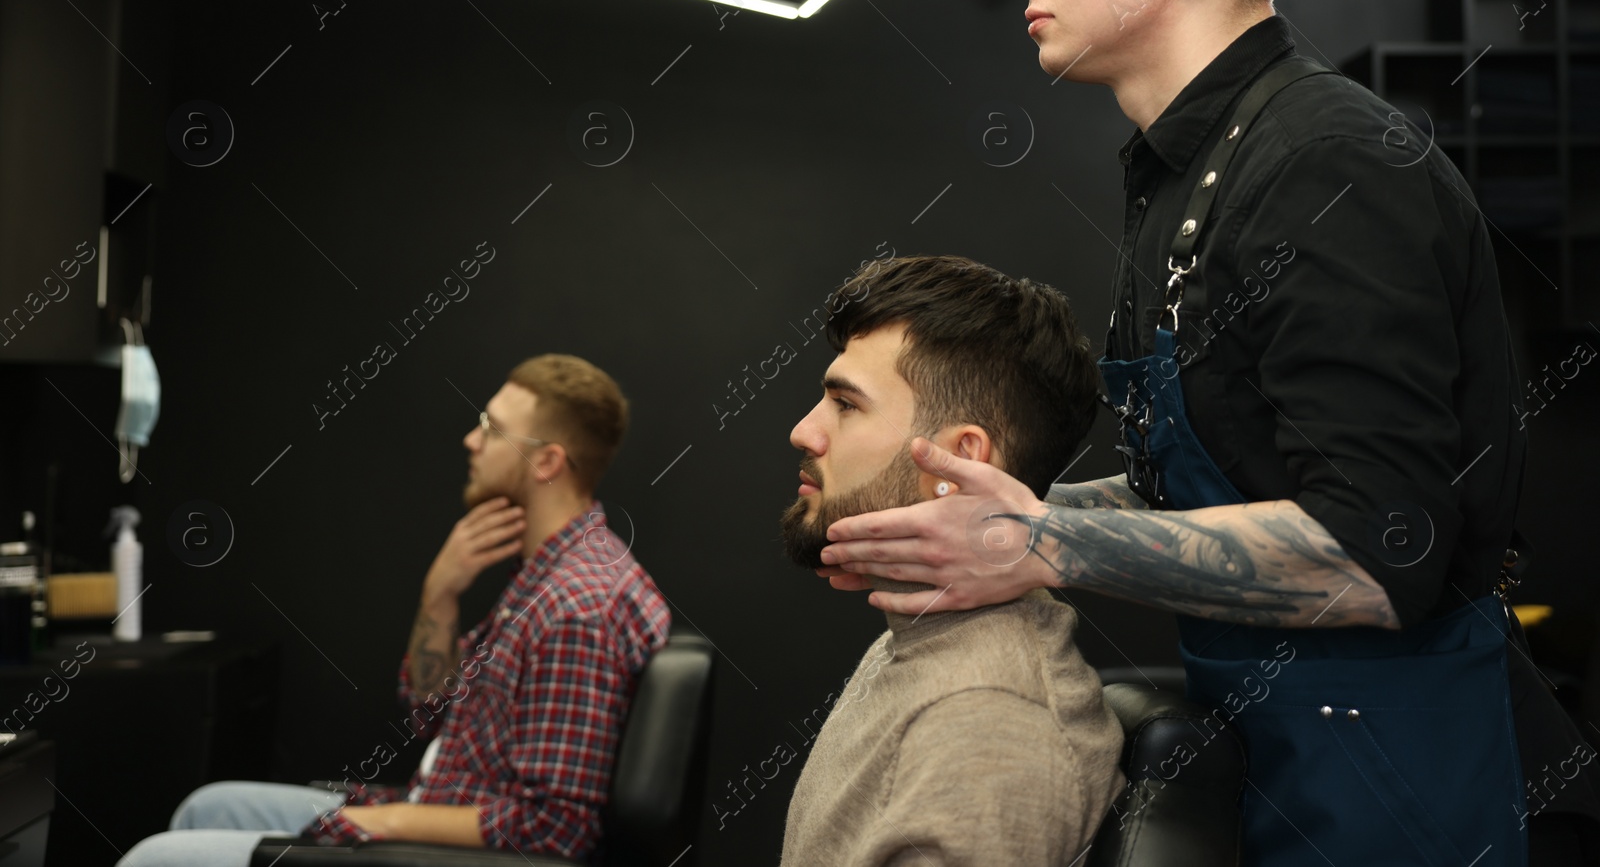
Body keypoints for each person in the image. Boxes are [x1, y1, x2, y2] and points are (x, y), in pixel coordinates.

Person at [816, 0, 1600, 864]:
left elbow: (1379, 552)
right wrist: (985, 515)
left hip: (1408, 784)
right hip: (1286, 760)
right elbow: (1207, 483)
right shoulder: (1184, 173)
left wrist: (1039, 542)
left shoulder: (1327, 165)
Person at [119, 354, 669, 866]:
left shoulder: (577, 609)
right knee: (209, 807)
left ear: (547, 460)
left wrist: (382, 821)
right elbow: (429, 716)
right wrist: (440, 594)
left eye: (493, 428)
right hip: (425, 807)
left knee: (152, 860)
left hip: (437, 855)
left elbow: (554, 827)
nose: (471, 440)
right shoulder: (548, 577)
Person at [777, 254, 1124, 867]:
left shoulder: (984, 728)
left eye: (846, 404)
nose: (804, 432)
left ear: (958, 460)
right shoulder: (922, 640)